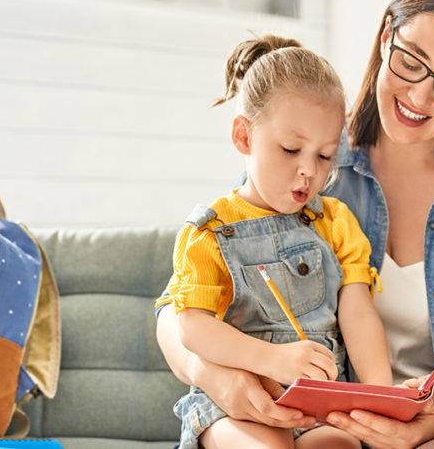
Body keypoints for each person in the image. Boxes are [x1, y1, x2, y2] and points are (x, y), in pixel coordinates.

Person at [156, 0, 434, 447]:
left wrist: (433, 422)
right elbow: (178, 313)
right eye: (412, 60)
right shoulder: (311, 160)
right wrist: (215, 376)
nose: (419, 95)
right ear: (387, 35)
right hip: (319, 415)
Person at [154, 35, 393, 449]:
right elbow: (192, 328)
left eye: (323, 156)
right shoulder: (207, 233)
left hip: (321, 409)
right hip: (235, 406)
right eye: (290, 149)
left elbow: (358, 313)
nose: (308, 172)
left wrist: (381, 396)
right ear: (244, 137)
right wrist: (273, 360)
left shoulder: (335, 222)